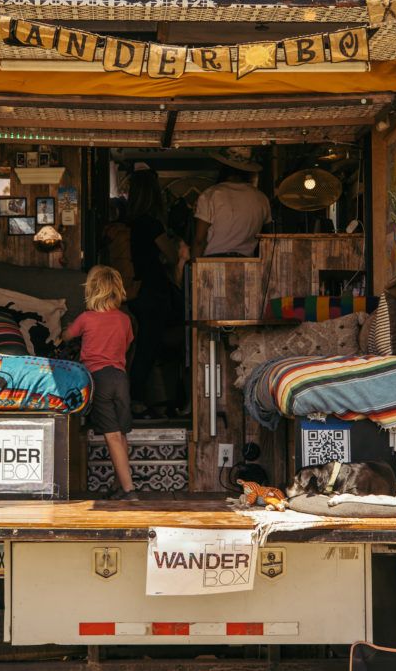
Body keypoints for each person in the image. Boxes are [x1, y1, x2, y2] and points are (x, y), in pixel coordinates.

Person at [62, 266, 138, 500]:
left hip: (99, 379)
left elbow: (66, 336)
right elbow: (126, 345)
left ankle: (129, 490)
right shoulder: (125, 320)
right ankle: (119, 484)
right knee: (122, 434)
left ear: (92, 290)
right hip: (120, 378)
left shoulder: (86, 318)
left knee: (111, 435)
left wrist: (65, 330)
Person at [126, 167, 182, 417]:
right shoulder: (151, 224)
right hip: (153, 291)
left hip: (134, 290)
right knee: (150, 346)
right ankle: (139, 399)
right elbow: (172, 256)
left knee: (140, 346)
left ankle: (141, 397)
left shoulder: (128, 223)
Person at [192, 146, 272, 258]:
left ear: (222, 168)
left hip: (213, 262)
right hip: (248, 263)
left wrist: (192, 264)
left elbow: (199, 240)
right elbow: (268, 236)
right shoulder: (261, 198)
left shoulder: (210, 195)